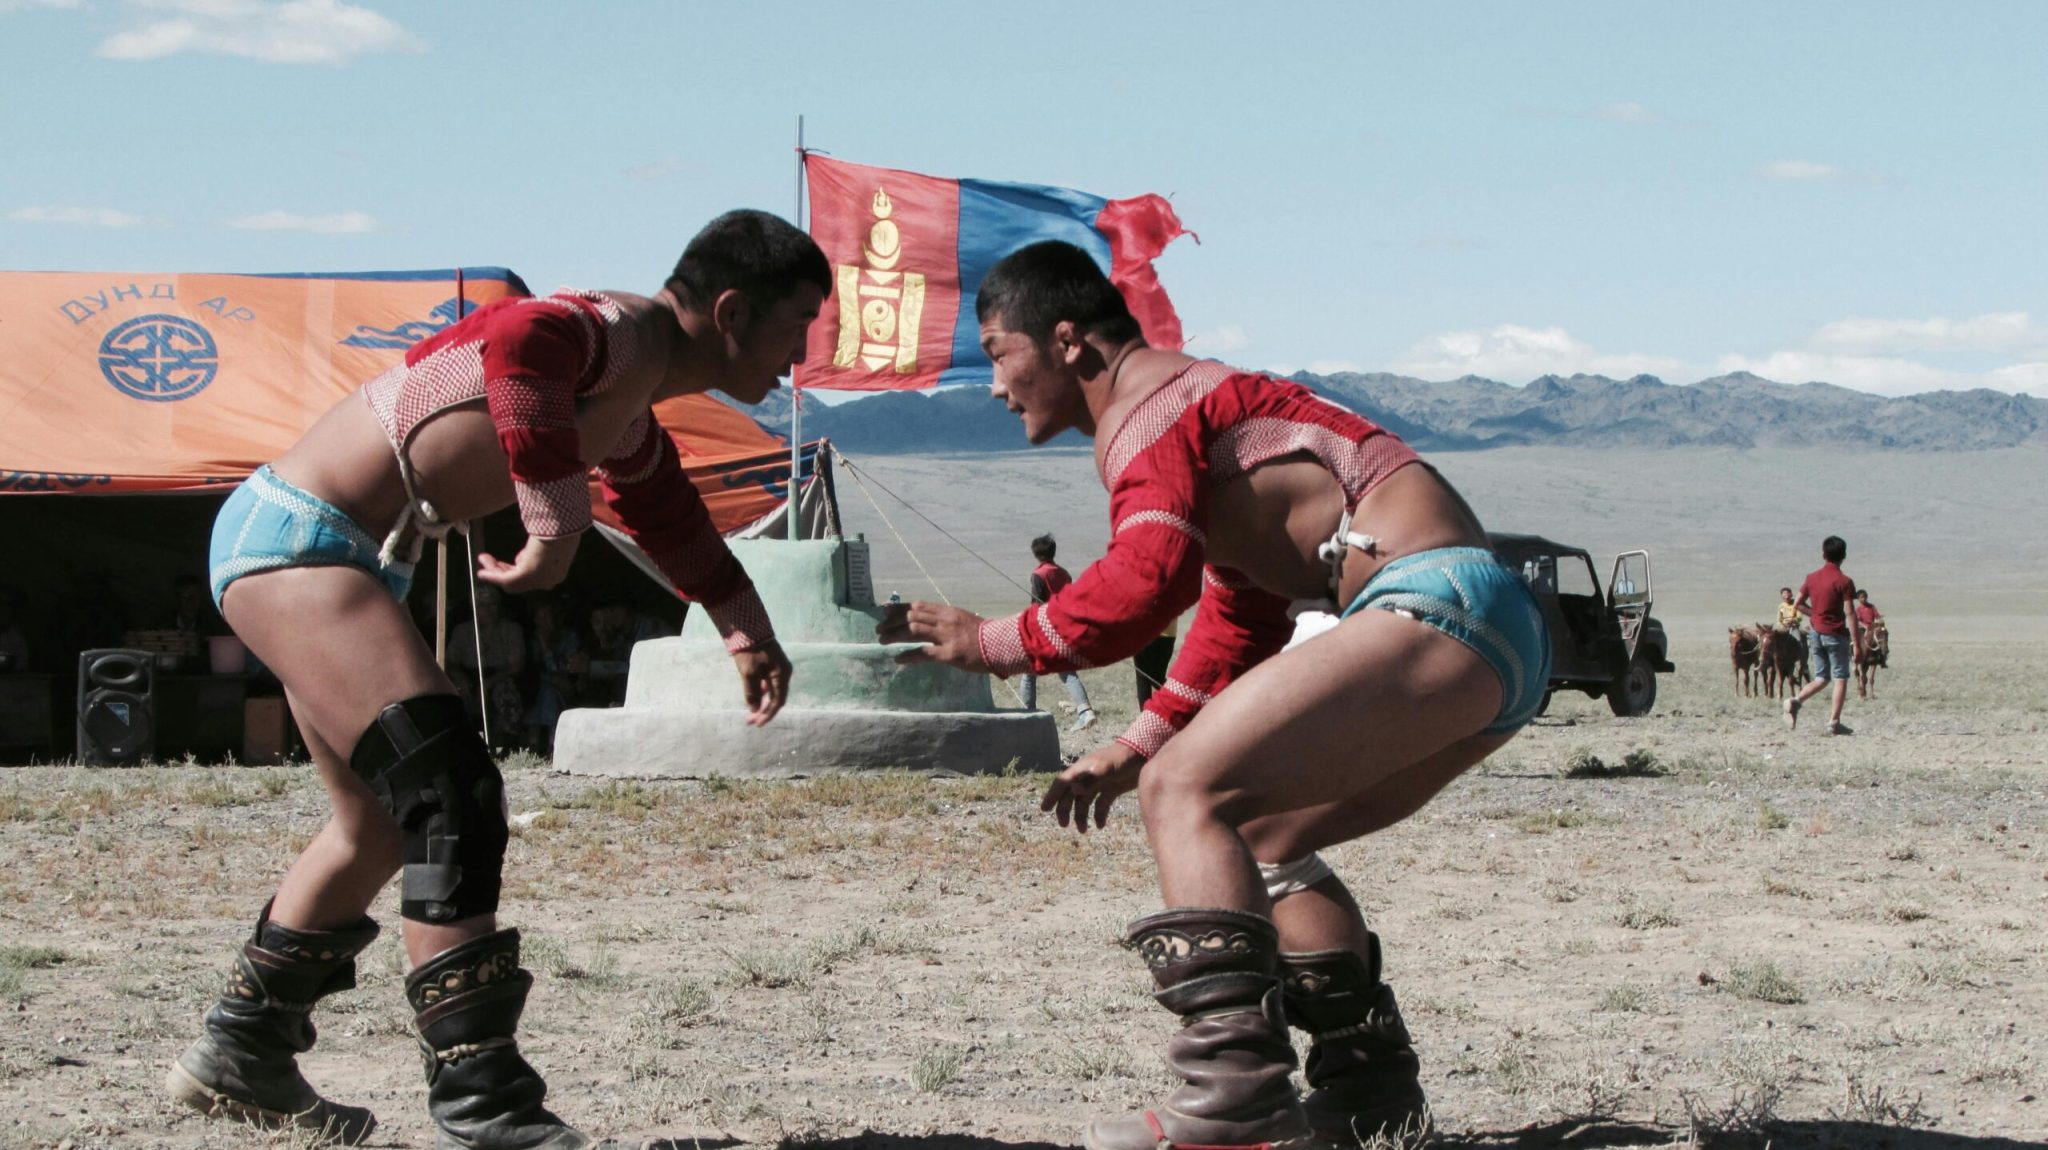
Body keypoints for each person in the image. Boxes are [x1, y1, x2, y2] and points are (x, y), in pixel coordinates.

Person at [881, 241, 1550, 1149]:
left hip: (1435, 602)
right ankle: (1369, 1092)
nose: (995, 385)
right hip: (1494, 630)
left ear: (1068, 340)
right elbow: (1240, 613)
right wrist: (1142, 738)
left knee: (1186, 796)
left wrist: (993, 642)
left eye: (998, 351)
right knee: (1265, 843)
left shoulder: (1144, 413)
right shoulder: (1201, 410)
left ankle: (1236, 1103)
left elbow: (1142, 585)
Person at [173, 210, 819, 1149]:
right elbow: (517, 336)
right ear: (730, 310)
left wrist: (744, 626)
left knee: (380, 824)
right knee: (450, 794)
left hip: (333, 553)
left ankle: (242, 1052)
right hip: (302, 539)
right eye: (797, 323)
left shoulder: (628, 410)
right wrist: (554, 523)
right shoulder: (616, 332)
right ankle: (487, 1109)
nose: (801, 356)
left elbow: (671, 515)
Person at [1018, 534, 1098, 731]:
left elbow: (1036, 606)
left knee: (1028, 672)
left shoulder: (1039, 575)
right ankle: (1085, 712)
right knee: (1067, 672)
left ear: (1035, 554)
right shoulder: (1064, 574)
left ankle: (1028, 716)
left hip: (1046, 629)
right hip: (1065, 628)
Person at [1785, 535, 1862, 736]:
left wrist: (1816, 615)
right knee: (1841, 677)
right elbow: (1850, 613)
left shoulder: (1811, 578)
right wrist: (1857, 643)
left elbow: (1798, 603)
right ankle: (1834, 722)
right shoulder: (1844, 581)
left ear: (1823, 554)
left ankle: (1795, 701)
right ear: (1844, 556)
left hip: (1816, 634)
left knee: (1821, 677)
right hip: (1835, 635)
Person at [449, 584, 526, 749]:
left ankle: (509, 744)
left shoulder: (511, 629)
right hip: (470, 676)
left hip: (502, 676)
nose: (489, 609)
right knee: (456, 694)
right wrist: (460, 678)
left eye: (493, 604)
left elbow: (516, 666)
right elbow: (449, 661)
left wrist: (489, 682)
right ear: (475, 609)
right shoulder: (462, 631)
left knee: (505, 691)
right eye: (483, 605)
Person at [523, 595, 582, 754]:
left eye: (546, 616)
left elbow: (563, 669)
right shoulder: (532, 640)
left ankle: (553, 744)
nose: (543, 622)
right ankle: (533, 745)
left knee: (548, 693)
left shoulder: (570, 638)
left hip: (567, 686)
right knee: (544, 691)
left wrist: (547, 648)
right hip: (542, 684)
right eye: (539, 617)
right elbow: (531, 670)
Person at [1133, 615, 1177, 707]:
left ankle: (1181, 701)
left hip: (1143, 630)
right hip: (1168, 632)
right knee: (1158, 677)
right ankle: (1181, 702)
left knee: (1143, 677)